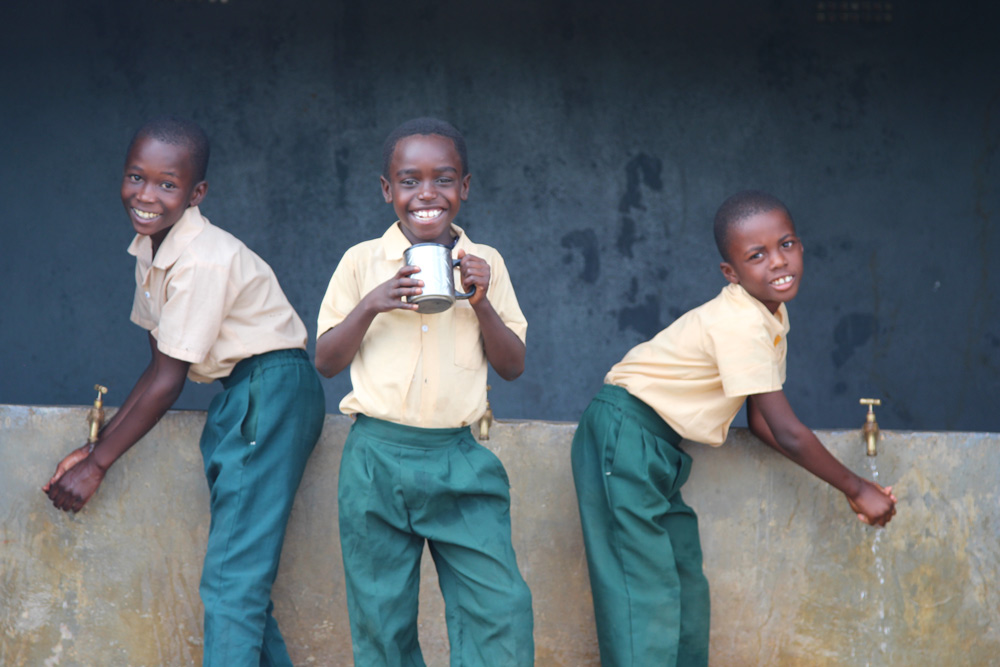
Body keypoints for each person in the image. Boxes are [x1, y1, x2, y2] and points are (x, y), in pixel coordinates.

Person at [571, 190, 897, 667]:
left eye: (786, 244)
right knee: (642, 596)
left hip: (655, 450)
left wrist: (852, 488)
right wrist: (857, 487)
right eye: (757, 255)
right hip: (624, 436)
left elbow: (762, 423)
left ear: (802, 246)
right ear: (732, 273)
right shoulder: (741, 322)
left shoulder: (769, 317)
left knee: (684, 585)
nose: (778, 262)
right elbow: (786, 430)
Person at [43, 117, 325, 666]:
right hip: (244, 395)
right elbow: (157, 369)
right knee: (238, 584)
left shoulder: (202, 259)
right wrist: (93, 451)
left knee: (232, 585)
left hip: (271, 390)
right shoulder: (151, 252)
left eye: (167, 184)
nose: (146, 195)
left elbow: (170, 381)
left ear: (196, 194)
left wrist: (97, 465)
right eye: (135, 177)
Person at [315, 117, 533, 666]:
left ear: (465, 187)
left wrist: (479, 300)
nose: (427, 194)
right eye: (409, 181)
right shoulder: (361, 262)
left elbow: (513, 366)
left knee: (499, 610)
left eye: (444, 179)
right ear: (388, 190)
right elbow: (325, 360)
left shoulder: (488, 265)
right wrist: (372, 303)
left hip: (458, 457)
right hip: (375, 462)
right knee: (382, 622)